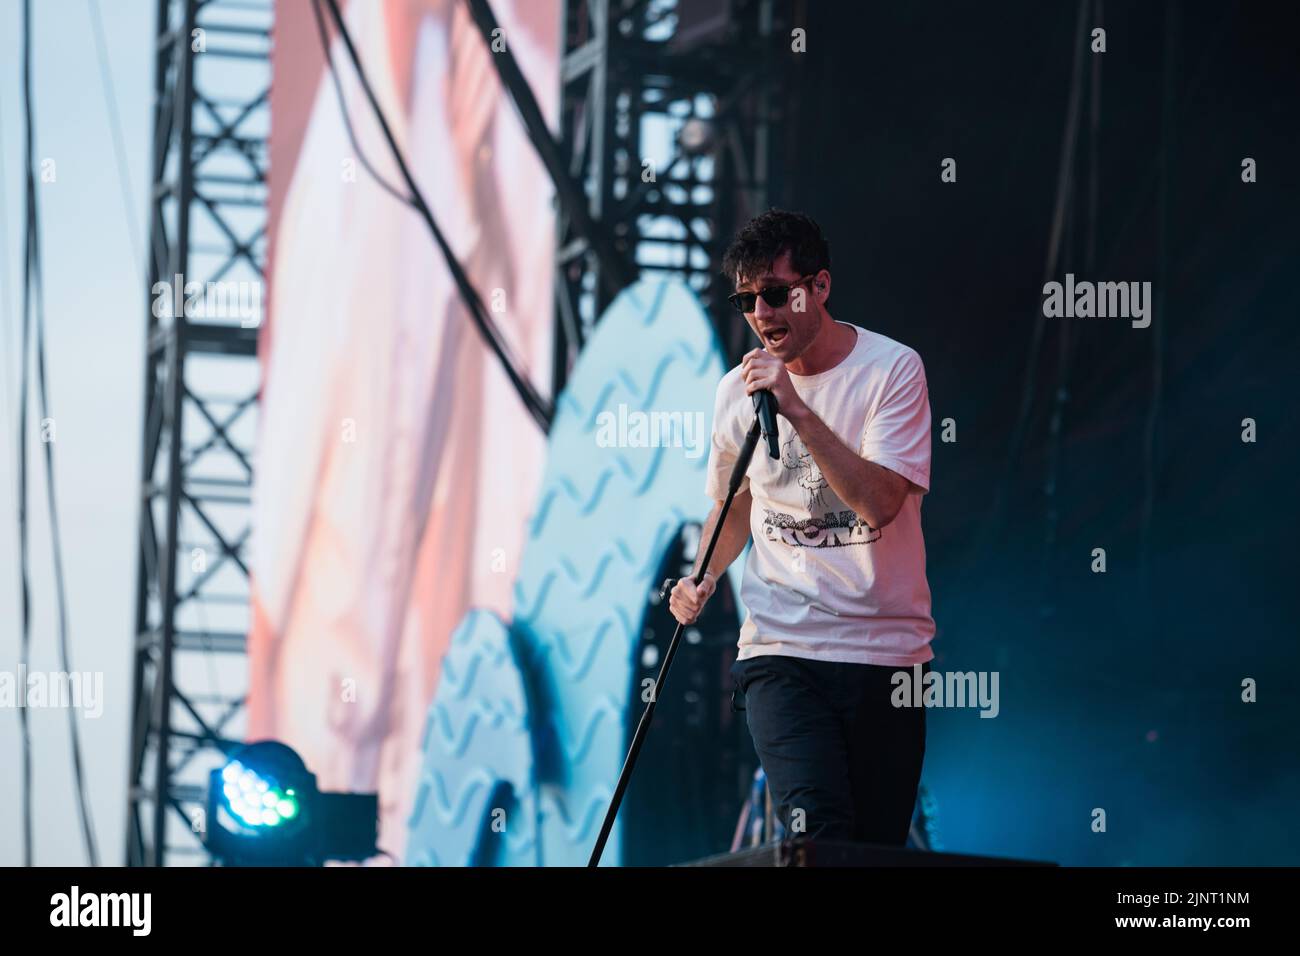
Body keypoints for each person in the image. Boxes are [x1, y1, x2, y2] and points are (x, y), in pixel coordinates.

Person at [669, 209, 935, 846]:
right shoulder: (737, 391)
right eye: (746, 300)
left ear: (818, 287)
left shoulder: (892, 371)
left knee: (873, 849)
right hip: (782, 648)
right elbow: (734, 506)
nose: (761, 313)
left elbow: (879, 504)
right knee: (815, 835)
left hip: (885, 653)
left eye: (775, 293)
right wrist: (700, 576)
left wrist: (796, 408)